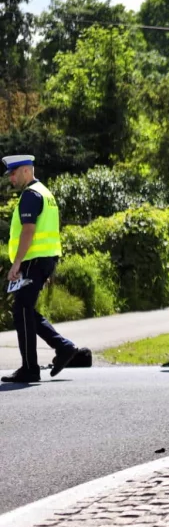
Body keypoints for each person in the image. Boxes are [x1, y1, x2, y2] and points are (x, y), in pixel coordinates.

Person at [1, 154, 83, 383]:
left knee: (22, 310)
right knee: (23, 310)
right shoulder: (45, 193)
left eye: (14, 173)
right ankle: (62, 347)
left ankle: (30, 368)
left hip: (34, 260)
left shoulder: (31, 195)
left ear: (26, 171)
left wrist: (17, 263)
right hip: (41, 260)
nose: (11, 179)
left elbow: (29, 231)